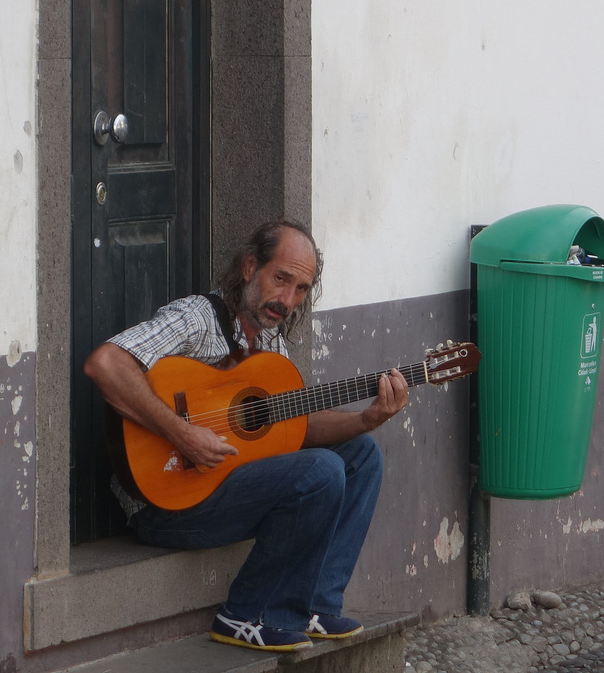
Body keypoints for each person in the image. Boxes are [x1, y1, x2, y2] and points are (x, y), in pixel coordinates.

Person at [83, 219, 408, 652]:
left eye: (301, 289)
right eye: (281, 279)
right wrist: (183, 435)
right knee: (322, 470)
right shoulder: (197, 318)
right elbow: (105, 364)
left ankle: (314, 604)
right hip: (166, 501)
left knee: (360, 454)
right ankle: (250, 614)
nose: (287, 299)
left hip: (228, 491)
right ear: (250, 267)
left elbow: (297, 429)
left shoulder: (271, 345)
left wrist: (366, 419)